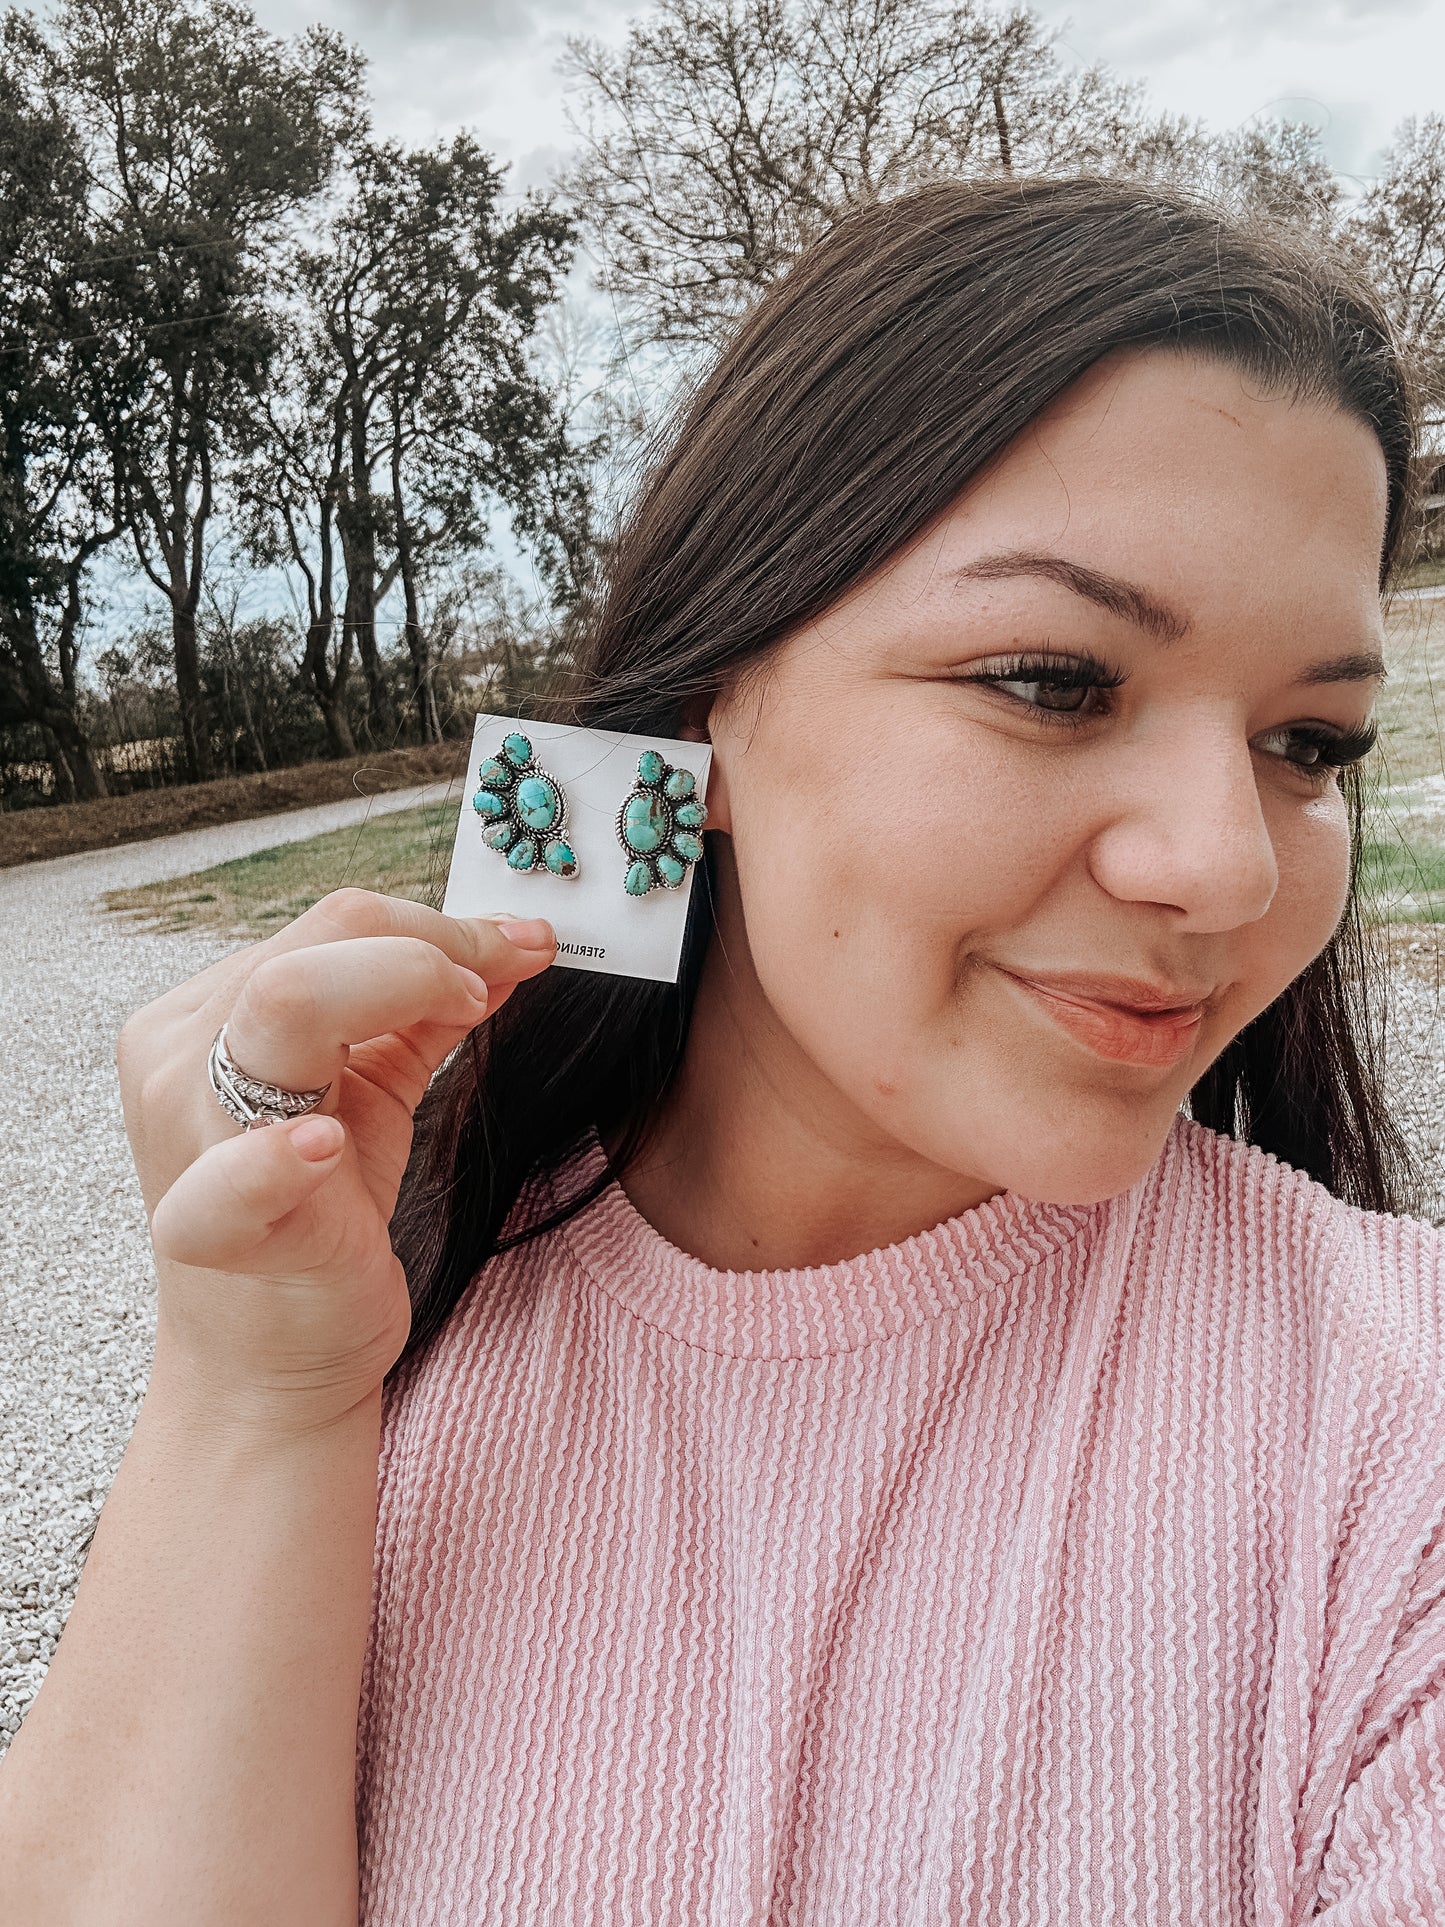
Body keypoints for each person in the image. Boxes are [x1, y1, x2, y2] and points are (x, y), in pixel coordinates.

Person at [2, 174, 1442, 1924]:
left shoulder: (1394, 1427)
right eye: (1053, 680)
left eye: (1309, 741)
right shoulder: (380, 1328)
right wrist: (253, 1387)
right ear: (705, 713)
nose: (1223, 866)